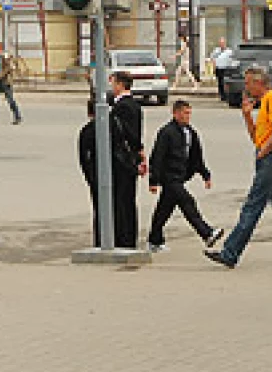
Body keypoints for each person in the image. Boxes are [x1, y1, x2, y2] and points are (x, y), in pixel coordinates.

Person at [205, 67, 272, 269]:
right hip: (267, 156)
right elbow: (256, 137)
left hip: (270, 159)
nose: (246, 88)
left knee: (252, 206)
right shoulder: (265, 102)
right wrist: (247, 116)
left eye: (248, 83)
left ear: (258, 83)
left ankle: (230, 252)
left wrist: (265, 151)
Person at [147, 100, 224, 252]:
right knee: (187, 202)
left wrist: (205, 174)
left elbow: (196, 157)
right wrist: (153, 180)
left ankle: (154, 239)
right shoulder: (166, 132)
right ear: (175, 113)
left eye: (189, 113)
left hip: (180, 176)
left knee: (164, 210)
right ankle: (207, 233)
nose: (187, 116)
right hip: (169, 177)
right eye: (184, 113)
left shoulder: (190, 132)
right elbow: (157, 156)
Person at [78, 99, 138, 248]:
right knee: (123, 208)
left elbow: (84, 158)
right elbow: (133, 142)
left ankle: (102, 241)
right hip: (122, 173)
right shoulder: (117, 124)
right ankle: (126, 241)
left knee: (101, 210)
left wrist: (91, 179)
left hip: (100, 177)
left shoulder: (88, 130)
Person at [109, 71, 145, 248]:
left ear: (121, 85)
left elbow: (128, 133)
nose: (112, 87)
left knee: (123, 199)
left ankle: (124, 238)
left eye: (113, 84)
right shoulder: (133, 105)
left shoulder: (123, 107)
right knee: (127, 198)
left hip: (124, 159)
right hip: (131, 157)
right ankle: (127, 236)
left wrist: (137, 151)